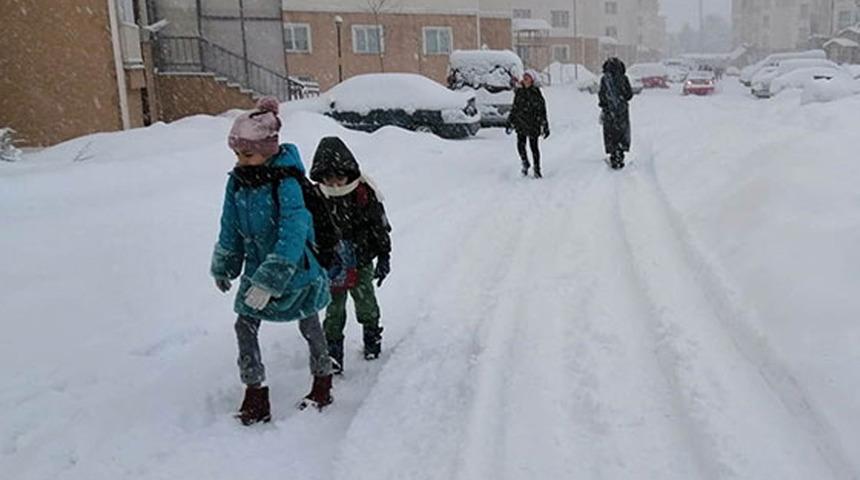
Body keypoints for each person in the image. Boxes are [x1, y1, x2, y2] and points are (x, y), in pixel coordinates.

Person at [211, 97, 334, 425]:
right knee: (244, 325)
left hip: (296, 271)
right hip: (256, 270)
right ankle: (255, 394)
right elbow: (230, 226)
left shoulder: (287, 182)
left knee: (309, 323)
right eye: (237, 154)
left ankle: (322, 382)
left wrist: (271, 279)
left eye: (247, 154)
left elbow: (294, 232)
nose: (240, 161)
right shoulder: (237, 181)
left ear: (268, 150)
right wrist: (225, 264)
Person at [309, 137, 392, 374]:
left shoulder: (364, 194)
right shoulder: (316, 197)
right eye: (328, 178)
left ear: (349, 173)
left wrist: (384, 255)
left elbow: (379, 227)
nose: (334, 184)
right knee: (333, 309)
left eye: (339, 177)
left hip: (361, 259)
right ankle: (334, 354)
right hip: (331, 263)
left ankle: (372, 338)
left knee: (365, 301)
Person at [506, 71, 550, 178]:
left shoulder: (536, 92)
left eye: (528, 78)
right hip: (520, 123)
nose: (525, 79)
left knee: (534, 147)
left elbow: (542, 109)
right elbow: (515, 108)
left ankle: (537, 168)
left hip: (533, 123)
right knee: (520, 146)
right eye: (524, 77)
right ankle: (525, 163)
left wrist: (544, 124)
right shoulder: (519, 92)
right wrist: (509, 121)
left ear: (532, 80)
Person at [598, 57, 634, 170]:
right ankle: (620, 153)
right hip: (622, 111)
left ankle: (613, 154)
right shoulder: (624, 78)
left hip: (609, 112)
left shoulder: (605, 79)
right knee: (621, 133)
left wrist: (604, 106)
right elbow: (629, 95)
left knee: (610, 133)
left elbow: (602, 95)